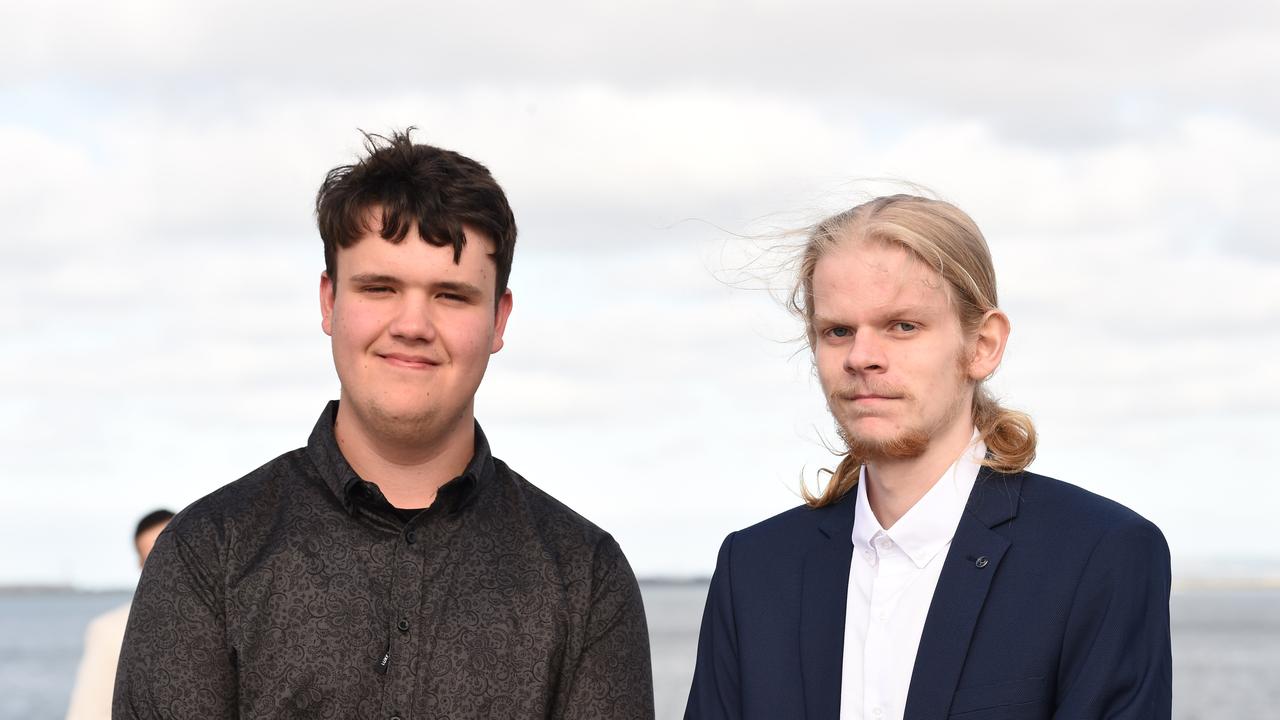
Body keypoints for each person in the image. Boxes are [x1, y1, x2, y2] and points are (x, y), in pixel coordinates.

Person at [115, 130, 654, 719]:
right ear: (329, 302)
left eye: (450, 295)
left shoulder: (586, 578)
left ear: (499, 319)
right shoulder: (204, 557)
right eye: (380, 287)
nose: (412, 324)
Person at [685, 195, 1171, 719]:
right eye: (838, 331)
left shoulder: (1099, 555)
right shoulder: (754, 569)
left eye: (903, 326)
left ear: (982, 345)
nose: (861, 356)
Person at [65, 509, 172, 720]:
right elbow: (87, 712)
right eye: (154, 558)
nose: (167, 565)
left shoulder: (231, 618)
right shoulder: (111, 631)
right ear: (141, 566)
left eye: (173, 553)